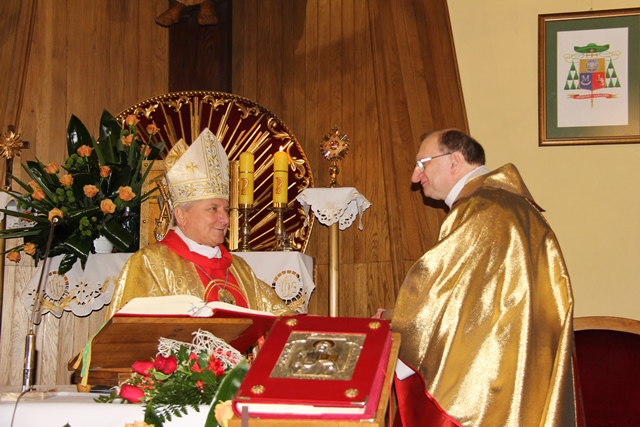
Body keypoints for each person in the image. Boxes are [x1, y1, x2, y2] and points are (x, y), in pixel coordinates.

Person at [389, 129, 577, 426]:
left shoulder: (479, 210)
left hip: (488, 376)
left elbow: (441, 301)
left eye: (422, 164)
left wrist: (394, 321)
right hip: (520, 361)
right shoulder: (511, 206)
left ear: (454, 161)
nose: (415, 176)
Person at [106, 128, 294, 319]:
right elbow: (128, 329)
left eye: (226, 209)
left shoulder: (240, 269)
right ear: (181, 215)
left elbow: (282, 320)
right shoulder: (150, 264)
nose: (225, 219)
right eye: (213, 209)